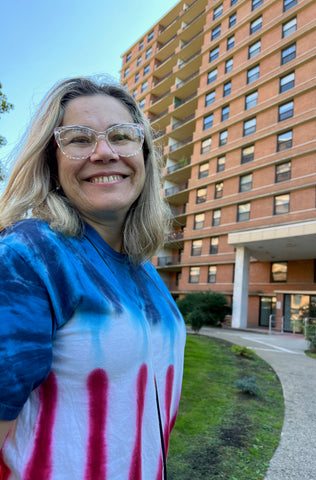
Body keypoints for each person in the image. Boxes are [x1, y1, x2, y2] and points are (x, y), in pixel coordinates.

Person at [0, 77, 186, 480]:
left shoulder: (143, 268)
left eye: (121, 136)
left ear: (144, 155)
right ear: (52, 161)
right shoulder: (29, 256)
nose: (104, 152)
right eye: (79, 139)